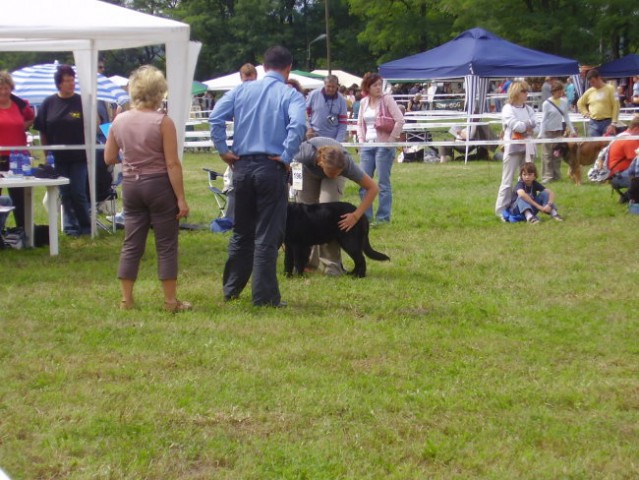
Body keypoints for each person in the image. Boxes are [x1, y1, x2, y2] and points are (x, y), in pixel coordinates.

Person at [209, 45, 306, 307]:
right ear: (288, 69)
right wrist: (286, 156)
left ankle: (231, 289)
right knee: (267, 234)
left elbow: (215, 117)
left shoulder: (241, 89)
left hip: (241, 167)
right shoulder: (290, 95)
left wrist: (223, 150)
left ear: (264, 67)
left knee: (242, 231)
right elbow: (298, 125)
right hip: (270, 167)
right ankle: (264, 297)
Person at [104, 65, 191, 313]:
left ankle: (126, 299)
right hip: (159, 185)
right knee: (166, 244)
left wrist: (131, 157)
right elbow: (172, 163)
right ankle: (170, 301)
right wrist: (181, 199)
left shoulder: (119, 120)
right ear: (159, 93)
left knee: (131, 243)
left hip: (132, 185)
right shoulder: (163, 122)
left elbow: (109, 157)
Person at [293, 137, 379, 276]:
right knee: (306, 217)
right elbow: (291, 163)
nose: (335, 176)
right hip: (307, 170)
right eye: (333, 173)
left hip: (332, 166)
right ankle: (308, 264)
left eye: (338, 173)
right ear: (321, 163)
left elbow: (373, 188)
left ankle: (332, 267)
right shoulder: (305, 153)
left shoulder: (345, 165)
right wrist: (294, 186)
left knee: (327, 217)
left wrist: (356, 216)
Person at [35, 64, 92, 236]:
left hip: (79, 156)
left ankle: (86, 227)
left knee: (78, 192)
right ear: (59, 83)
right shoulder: (49, 103)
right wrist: (47, 153)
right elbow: (42, 130)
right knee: (64, 193)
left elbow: (91, 127)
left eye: (72, 80)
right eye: (67, 80)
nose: (71, 83)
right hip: (57, 157)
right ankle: (69, 227)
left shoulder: (81, 102)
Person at [357, 73, 405, 224]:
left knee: (383, 183)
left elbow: (400, 120)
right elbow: (359, 124)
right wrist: (361, 140)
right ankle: (366, 217)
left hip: (384, 146)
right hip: (367, 146)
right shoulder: (364, 102)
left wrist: (390, 140)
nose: (378, 88)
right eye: (375, 85)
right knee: (364, 182)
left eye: (380, 84)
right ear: (368, 87)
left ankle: (383, 218)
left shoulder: (387, 99)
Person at [495, 80, 537, 218]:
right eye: (523, 91)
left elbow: (535, 124)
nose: (526, 94)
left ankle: (525, 208)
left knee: (526, 180)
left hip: (528, 148)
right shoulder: (507, 109)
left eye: (526, 91)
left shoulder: (529, 109)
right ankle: (501, 210)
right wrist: (527, 125)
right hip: (512, 148)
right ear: (516, 93)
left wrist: (525, 125)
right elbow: (517, 126)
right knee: (507, 181)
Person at [0, 70, 34, 230]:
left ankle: (23, 229)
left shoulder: (20, 104)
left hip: (18, 158)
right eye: (0, 88)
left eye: (6, 88)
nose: (4, 91)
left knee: (20, 196)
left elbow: (31, 117)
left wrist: (22, 127)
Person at [538, 81, 577, 183]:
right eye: (559, 91)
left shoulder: (564, 102)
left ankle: (556, 175)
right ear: (554, 91)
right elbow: (544, 119)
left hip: (558, 132)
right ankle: (547, 176)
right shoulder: (546, 104)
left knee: (557, 155)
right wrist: (541, 134)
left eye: (562, 91)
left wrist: (572, 131)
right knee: (547, 155)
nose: (561, 93)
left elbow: (567, 118)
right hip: (548, 132)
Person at [577, 69, 619, 137]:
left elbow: (616, 106)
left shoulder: (611, 89)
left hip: (608, 123)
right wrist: (584, 112)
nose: (592, 84)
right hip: (593, 124)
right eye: (590, 83)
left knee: (608, 146)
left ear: (599, 78)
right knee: (594, 146)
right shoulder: (589, 91)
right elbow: (580, 103)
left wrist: (613, 123)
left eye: (593, 82)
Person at [305, 74, 348, 142]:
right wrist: (309, 128)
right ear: (324, 84)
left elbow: (343, 123)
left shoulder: (341, 100)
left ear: (337, 86)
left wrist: (338, 141)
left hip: (332, 140)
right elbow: (304, 114)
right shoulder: (314, 95)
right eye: (328, 86)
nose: (331, 89)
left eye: (333, 87)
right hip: (314, 138)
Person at [608, 115, 639, 197]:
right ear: (636, 129)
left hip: (618, 174)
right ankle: (629, 197)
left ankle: (628, 197)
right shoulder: (630, 140)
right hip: (619, 177)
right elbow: (637, 160)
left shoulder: (624, 135)